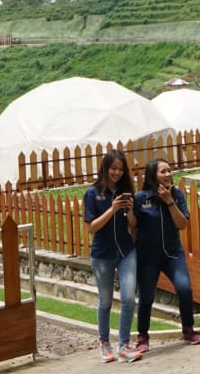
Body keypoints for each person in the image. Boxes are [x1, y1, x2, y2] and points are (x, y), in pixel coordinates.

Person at [133, 157, 200, 350]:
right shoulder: (141, 198)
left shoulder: (177, 194)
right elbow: (133, 227)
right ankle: (142, 337)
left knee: (184, 288)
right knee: (147, 296)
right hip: (148, 257)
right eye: (163, 172)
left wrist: (169, 201)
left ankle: (188, 330)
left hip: (173, 254)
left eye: (169, 171)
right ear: (152, 176)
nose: (168, 174)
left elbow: (182, 224)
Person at [83, 150, 142, 363]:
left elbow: (133, 225)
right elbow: (91, 227)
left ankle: (124, 345)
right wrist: (112, 208)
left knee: (128, 298)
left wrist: (131, 210)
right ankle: (104, 343)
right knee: (105, 301)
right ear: (106, 168)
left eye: (120, 169)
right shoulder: (93, 193)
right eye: (113, 168)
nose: (117, 172)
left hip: (126, 251)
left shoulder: (125, 191)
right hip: (102, 255)